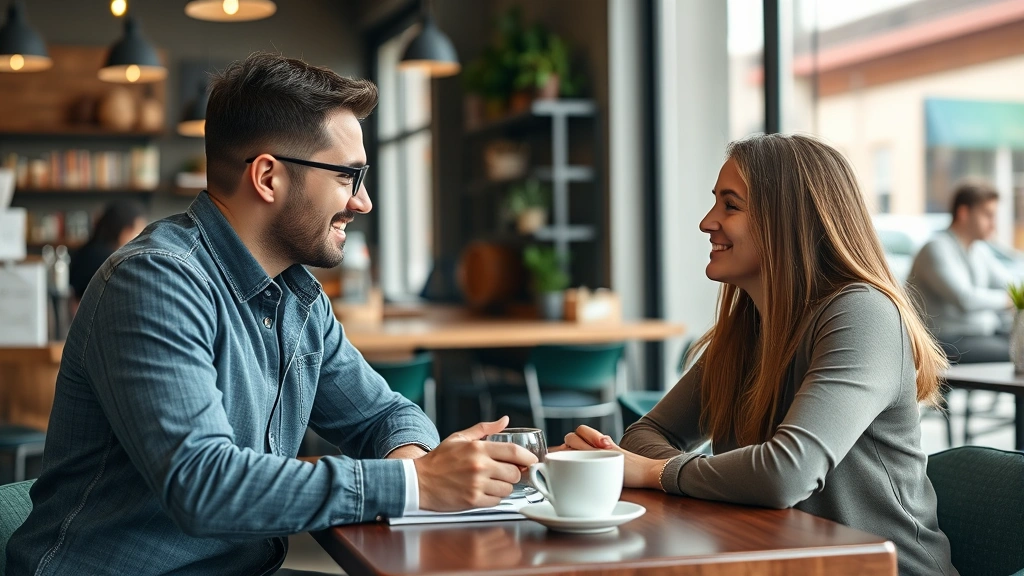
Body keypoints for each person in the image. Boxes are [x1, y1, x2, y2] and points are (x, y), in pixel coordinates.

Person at [8, 52, 536, 576]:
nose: (363, 202)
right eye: (348, 176)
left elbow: (385, 415)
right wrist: (413, 485)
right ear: (267, 177)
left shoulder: (298, 300)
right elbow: (202, 486)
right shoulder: (154, 281)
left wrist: (412, 457)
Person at [560, 134, 957, 575]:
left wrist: (653, 473)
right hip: (777, 561)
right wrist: (655, 466)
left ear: (788, 221)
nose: (707, 222)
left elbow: (785, 474)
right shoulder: (748, 329)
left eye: (730, 206)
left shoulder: (863, 314)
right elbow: (646, 434)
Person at [905, 180, 1014, 363]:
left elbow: (1009, 282)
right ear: (963, 213)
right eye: (988, 215)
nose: (993, 224)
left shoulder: (978, 250)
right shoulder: (936, 248)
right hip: (941, 342)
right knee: (1018, 354)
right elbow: (965, 299)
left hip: (976, 335)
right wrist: (1009, 299)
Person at [69, 199, 147, 301]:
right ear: (125, 231)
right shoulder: (111, 260)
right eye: (138, 233)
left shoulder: (88, 251)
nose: (142, 241)